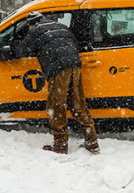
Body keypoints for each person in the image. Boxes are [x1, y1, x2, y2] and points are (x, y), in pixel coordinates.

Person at [18, 11, 99, 154]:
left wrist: (8, 50)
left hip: (58, 68)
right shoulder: (61, 26)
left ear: (32, 24)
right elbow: (74, 42)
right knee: (77, 103)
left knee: (56, 106)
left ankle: (60, 145)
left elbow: (21, 51)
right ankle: (91, 141)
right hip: (75, 65)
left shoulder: (35, 32)